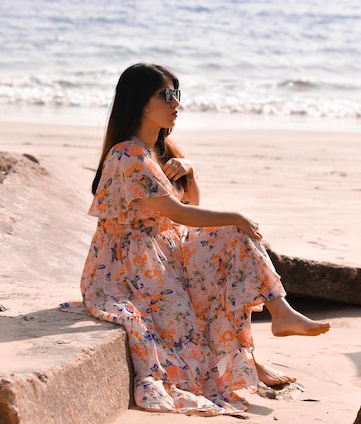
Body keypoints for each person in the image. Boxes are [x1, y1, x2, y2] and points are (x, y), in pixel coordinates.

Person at [61, 63, 329, 416]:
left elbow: (191, 205)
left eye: (178, 94)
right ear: (140, 102)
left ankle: (276, 321)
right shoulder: (127, 154)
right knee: (234, 230)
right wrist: (235, 216)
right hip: (128, 266)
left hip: (164, 251)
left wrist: (190, 172)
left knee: (231, 242)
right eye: (166, 95)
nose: (176, 103)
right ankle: (255, 348)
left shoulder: (160, 149)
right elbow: (179, 213)